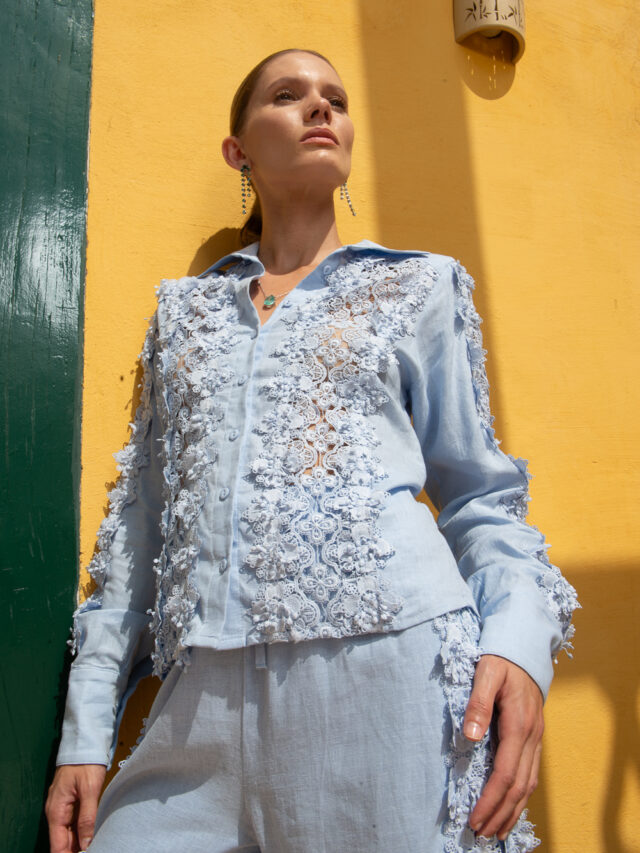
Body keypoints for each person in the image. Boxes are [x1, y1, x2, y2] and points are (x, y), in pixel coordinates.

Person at [45, 49, 578, 853]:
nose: (320, 108)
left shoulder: (417, 287)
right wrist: (86, 733)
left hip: (387, 687)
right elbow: (138, 529)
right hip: (195, 713)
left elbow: (481, 497)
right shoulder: (185, 314)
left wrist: (521, 647)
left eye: (335, 98)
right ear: (239, 151)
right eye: (288, 95)